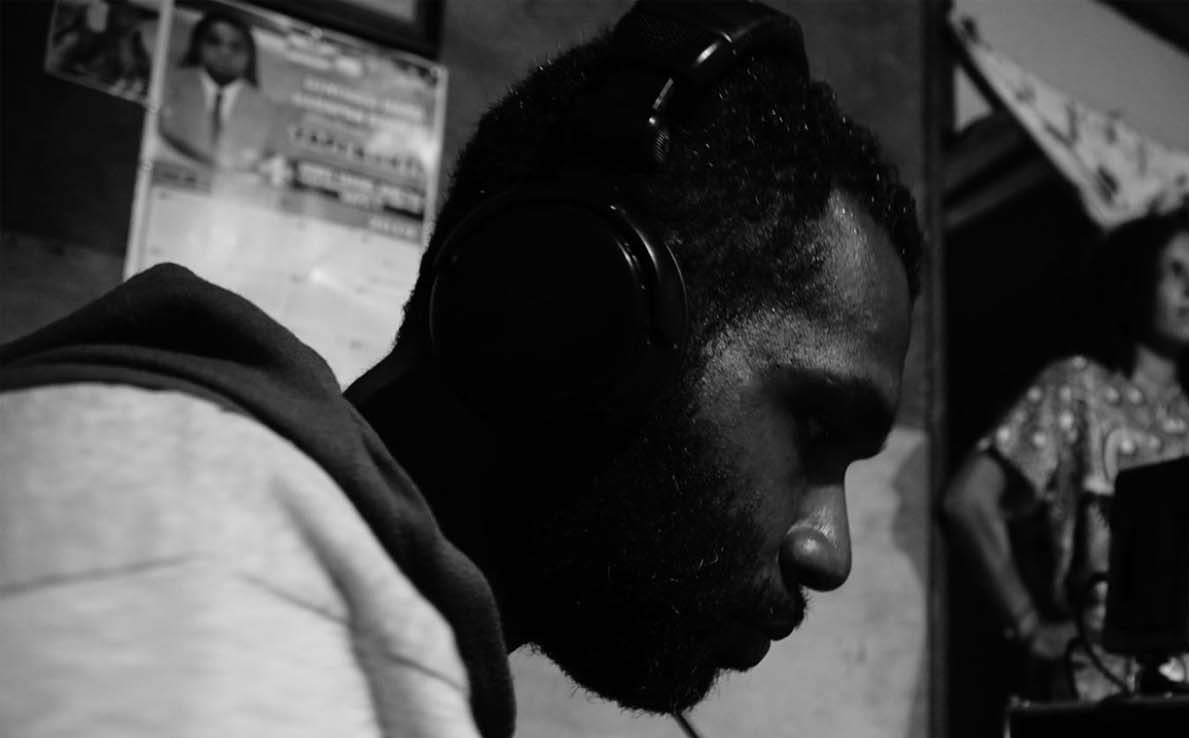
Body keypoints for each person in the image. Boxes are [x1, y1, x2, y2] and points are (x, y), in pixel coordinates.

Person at [0, 2, 921, 736]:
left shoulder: (324, 594)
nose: (829, 552)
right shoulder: (203, 579)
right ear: (576, 316)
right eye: (816, 428)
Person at [942, 210, 1189, 702]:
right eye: (1175, 271)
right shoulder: (1077, 386)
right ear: (1136, 279)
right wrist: (1029, 626)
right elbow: (968, 499)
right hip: (1106, 692)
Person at [156, 7, 279, 171]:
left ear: (250, 55)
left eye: (235, 46)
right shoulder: (167, 84)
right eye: (214, 41)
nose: (224, 52)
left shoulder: (268, 110)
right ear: (198, 44)